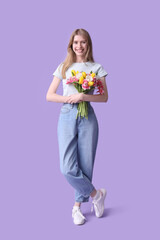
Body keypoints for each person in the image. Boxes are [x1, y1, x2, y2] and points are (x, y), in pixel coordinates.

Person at [46, 28, 109, 225]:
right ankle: (96, 194)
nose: (79, 46)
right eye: (75, 43)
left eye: (83, 42)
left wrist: (83, 96)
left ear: (88, 44)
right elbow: (49, 95)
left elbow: (104, 97)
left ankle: (76, 208)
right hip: (67, 114)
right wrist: (70, 99)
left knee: (85, 164)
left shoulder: (96, 68)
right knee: (67, 167)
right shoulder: (64, 67)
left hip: (88, 116)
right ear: (71, 45)